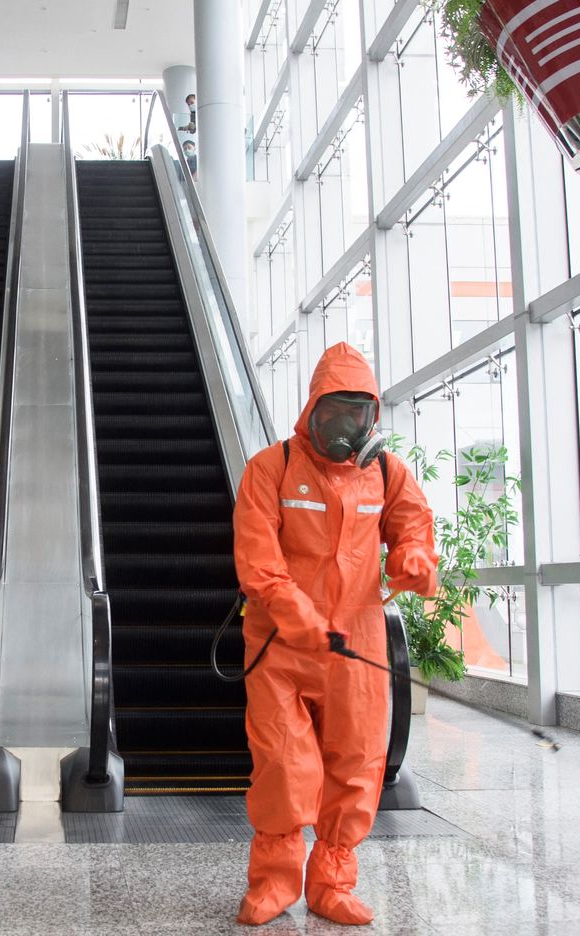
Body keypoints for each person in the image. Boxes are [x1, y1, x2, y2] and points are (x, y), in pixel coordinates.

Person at [231, 342, 438, 926]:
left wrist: (416, 561)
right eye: (334, 416)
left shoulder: (387, 472)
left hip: (358, 647)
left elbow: (413, 529)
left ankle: (333, 884)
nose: (346, 430)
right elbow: (258, 562)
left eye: (358, 416)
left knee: (356, 765)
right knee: (282, 767)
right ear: (313, 411)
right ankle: (274, 883)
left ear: (372, 417)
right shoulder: (270, 469)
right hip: (281, 650)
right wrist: (301, 618)